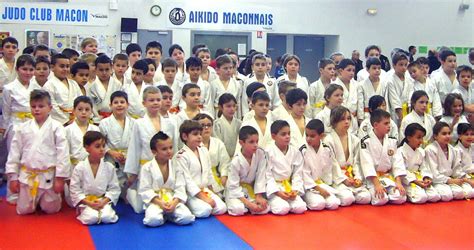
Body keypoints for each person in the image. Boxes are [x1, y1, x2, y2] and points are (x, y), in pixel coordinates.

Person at [6, 89, 69, 214]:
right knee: (24, 210)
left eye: (41, 106)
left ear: (50, 108)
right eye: (33, 106)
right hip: (28, 176)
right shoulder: (22, 128)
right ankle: (32, 200)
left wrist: (60, 178)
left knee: (51, 209)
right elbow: (14, 153)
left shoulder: (57, 127)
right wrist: (13, 177)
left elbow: (63, 154)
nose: (37, 109)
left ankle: (47, 200)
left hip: (48, 177)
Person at [124, 86, 177, 213]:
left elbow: (174, 146)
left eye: (158, 100)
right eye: (151, 100)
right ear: (144, 103)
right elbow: (134, 148)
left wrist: (175, 165)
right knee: (140, 209)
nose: (155, 103)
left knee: (167, 197)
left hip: (165, 166)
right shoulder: (139, 123)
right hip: (146, 166)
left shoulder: (170, 123)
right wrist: (132, 173)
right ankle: (131, 194)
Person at [138, 132, 195, 226]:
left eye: (170, 147)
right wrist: (160, 203)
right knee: (153, 220)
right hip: (156, 201)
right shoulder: (147, 167)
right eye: (164, 149)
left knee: (187, 218)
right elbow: (145, 189)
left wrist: (174, 202)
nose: (169, 151)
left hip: (172, 199)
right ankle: (163, 216)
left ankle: (169, 215)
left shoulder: (176, 165)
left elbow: (180, 187)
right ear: (154, 151)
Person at [176, 120, 227, 217]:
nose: (199, 136)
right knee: (205, 210)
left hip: (204, 189)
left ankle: (202, 205)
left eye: (200, 134)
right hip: (190, 193)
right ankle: (187, 205)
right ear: (185, 136)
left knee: (222, 208)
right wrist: (204, 198)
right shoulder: (181, 156)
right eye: (195, 134)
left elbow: (209, 173)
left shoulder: (203, 151)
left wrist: (213, 192)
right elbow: (187, 181)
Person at [69, 131, 120, 225]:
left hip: (102, 201)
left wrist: (104, 201)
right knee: (91, 218)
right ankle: (86, 211)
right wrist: (89, 203)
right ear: (87, 148)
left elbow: (114, 189)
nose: (102, 149)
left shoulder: (109, 167)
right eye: (97, 146)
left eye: (103, 146)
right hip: (87, 201)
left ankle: (101, 209)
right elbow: (74, 189)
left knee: (107, 217)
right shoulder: (80, 167)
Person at [325, 106, 371, 205]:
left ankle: (351, 191)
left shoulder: (354, 139)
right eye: (342, 119)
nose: (347, 122)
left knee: (366, 197)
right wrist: (344, 179)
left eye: (349, 118)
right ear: (334, 121)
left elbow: (357, 161)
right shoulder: (328, 140)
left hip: (352, 176)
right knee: (347, 198)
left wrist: (358, 177)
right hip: (337, 178)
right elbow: (332, 164)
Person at [360, 109, 407, 205]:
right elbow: (367, 164)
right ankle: (383, 194)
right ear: (376, 125)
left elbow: (397, 162)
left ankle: (389, 194)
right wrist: (377, 185)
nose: (389, 126)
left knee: (401, 197)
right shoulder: (366, 142)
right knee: (380, 200)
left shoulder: (392, 141)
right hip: (373, 180)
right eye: (386, 123)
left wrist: (398, 182)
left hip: (388, 177)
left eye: (389, 123)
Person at [301, 119, 347, 210]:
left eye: (312, 136)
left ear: (321, 136)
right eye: (307, 135)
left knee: (334, 203)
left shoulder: (326, 149)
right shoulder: (303, 150)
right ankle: (305, 199)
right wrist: (318, 188)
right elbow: (303, 174)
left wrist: (328, 185)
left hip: (322, 183)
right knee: (319, 204)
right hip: (308, 187)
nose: (308, 139)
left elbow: (330, 168)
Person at [265, 120, 307, 215]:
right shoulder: (268, 152)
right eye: (283, 134)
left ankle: (288, 201)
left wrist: (295, 190)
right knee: (283, 209)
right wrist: (278, 192)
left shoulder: (295, 151)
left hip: (289, 186)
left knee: (301, 208)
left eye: (289, 133)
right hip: (275, 188)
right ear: (273, 136)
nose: (287, 136)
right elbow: (267, 176)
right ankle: (271, 202)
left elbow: (297, 173)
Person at [225, 126, 269, 216]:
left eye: (257, 141)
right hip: (236, 191)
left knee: (264, 208)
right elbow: (233, 186)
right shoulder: (235, 161)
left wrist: (259, 196)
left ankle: (250, 206)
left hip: (251, 189)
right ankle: (246, 206)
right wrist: (249, 204)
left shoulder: (260, 153)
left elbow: (261, 176)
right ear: (241, 143)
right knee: (238, 209)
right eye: (251, 142)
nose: (255, 145)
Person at [99, 91, 135, 197]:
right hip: (112, 160)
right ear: (110, 105)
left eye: (122, 102)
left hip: (129, 159)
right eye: (116, 102)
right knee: (113, 191)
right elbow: (100, 144)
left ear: (127, 104)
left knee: (130, 194)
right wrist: (111, 152)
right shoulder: (104, 123)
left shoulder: (134, 123)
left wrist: (129, 156)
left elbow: (137, 144)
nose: (119, 105)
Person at [425, 122, 474, 201]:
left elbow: (457, 169)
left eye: (449, 133)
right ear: (435, 136)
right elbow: (434, 174)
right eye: (444, 134)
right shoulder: (430, 150)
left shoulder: (453, 149)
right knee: (447, 196)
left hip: (451, 179)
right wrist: (450, 181)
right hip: (437, 181)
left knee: (468, 192)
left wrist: (464, 179)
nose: (447, 136)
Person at [395, 123, 440, 203]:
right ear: (409, 137)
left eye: (422, 138)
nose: (421, 141)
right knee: (421, 198)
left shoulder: (421, 152)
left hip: (420, 179)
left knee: (435, 196)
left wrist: (426, 178)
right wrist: (415, 181)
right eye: (418, 138)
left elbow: (424, 167)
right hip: (407, 181)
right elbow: (401, 170)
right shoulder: (400, 151)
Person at [193, 113, 230, 197]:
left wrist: (224, 175)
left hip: (216, 177)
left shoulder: (218, 143)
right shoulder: (193, 145)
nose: (206, 128)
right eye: (202, 125)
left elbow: (225, 162)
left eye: (209, 125)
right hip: (200, 179)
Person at [43, 53, 82, 125]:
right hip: (58, 122)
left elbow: (81, 101)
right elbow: (52, 106)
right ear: (52, 67)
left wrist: (77, 117)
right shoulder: (49, 85)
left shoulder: (73, 83)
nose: (65, 69)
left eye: (67, 66)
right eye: (62, 66)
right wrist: (66, 121)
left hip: (76, 119)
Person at [65, 96, 100, 168]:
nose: (83, 112)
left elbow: (100, 150)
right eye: (80, 109)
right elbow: (64, 154)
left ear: (91, 112)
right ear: (74, 111)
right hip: (74, 167)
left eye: (87, 109)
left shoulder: (96, 129)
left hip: (92, 167)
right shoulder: (67, 130)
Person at [87, 55, 122, 121]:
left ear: (111, 68)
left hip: (115, 117)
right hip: (98, 118)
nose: (104, 73)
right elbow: (91, 105)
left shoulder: (117, 84)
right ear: (96, 69)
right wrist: (97, 116)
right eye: (101, 70)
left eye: (107, 69)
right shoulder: (92, 86)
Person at [357, 57, 388, 123]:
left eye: (379, 68)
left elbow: (386, 101)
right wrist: (360, 119)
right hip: (367, 116)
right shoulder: (361, 85)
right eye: (374, 68)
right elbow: (360, 104)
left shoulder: (384, 84)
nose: (377, 70)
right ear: (367, 69)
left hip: (382, 115)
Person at [386, 52, 410, 124]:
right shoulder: (390, 81)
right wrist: (401, 117)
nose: (404, 67)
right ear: (394, 65)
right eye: (401, 65)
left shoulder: (409, 79)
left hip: (408, 111)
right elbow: (395, 101)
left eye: (406, 65)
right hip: (396, 114)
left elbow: (411, 96)